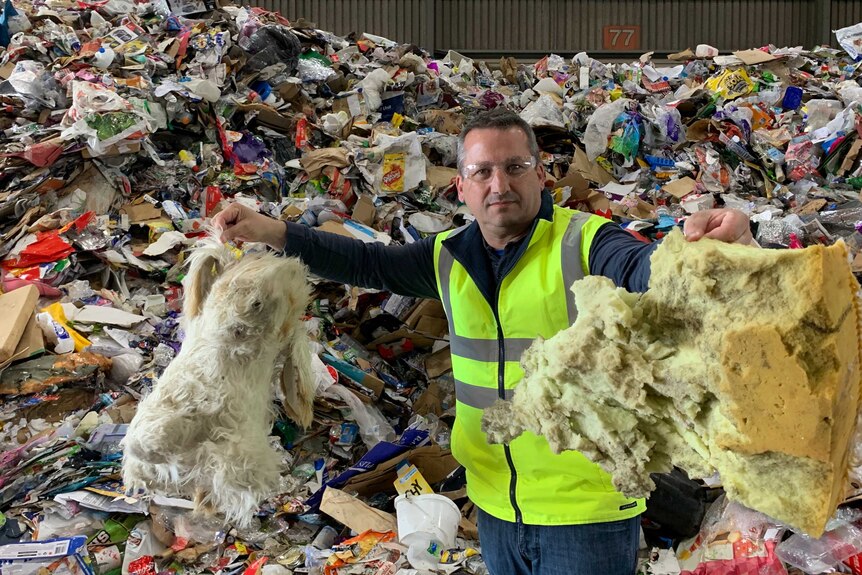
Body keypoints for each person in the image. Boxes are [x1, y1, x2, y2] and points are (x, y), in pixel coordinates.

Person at [213, 108, 753, 575]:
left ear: (540, 175)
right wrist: (273, 232)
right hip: (494, 504)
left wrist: (706, 252)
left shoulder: (586, 242)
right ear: (462, 185)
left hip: (584, 510)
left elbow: (644, 270)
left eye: (515, 168)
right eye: (483, 171)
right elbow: (366, 260)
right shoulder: (448, 256)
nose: (500, 185)